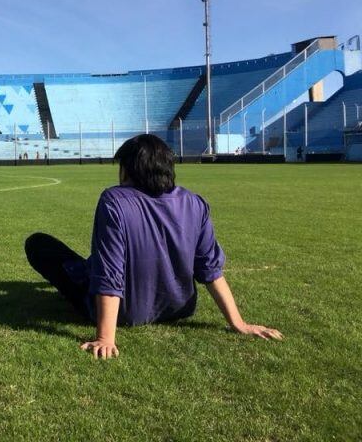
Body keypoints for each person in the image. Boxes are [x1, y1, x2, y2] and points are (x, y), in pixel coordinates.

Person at [25, 134, 282, 360]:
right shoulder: (194, 203)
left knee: (40, 244)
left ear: (127, 170)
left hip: (127, 312)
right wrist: (238, 323)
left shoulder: (114, 201)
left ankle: (95, 296)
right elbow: (210, 269)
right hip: (180, 308)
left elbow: (110, 272)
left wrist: (106, 337)